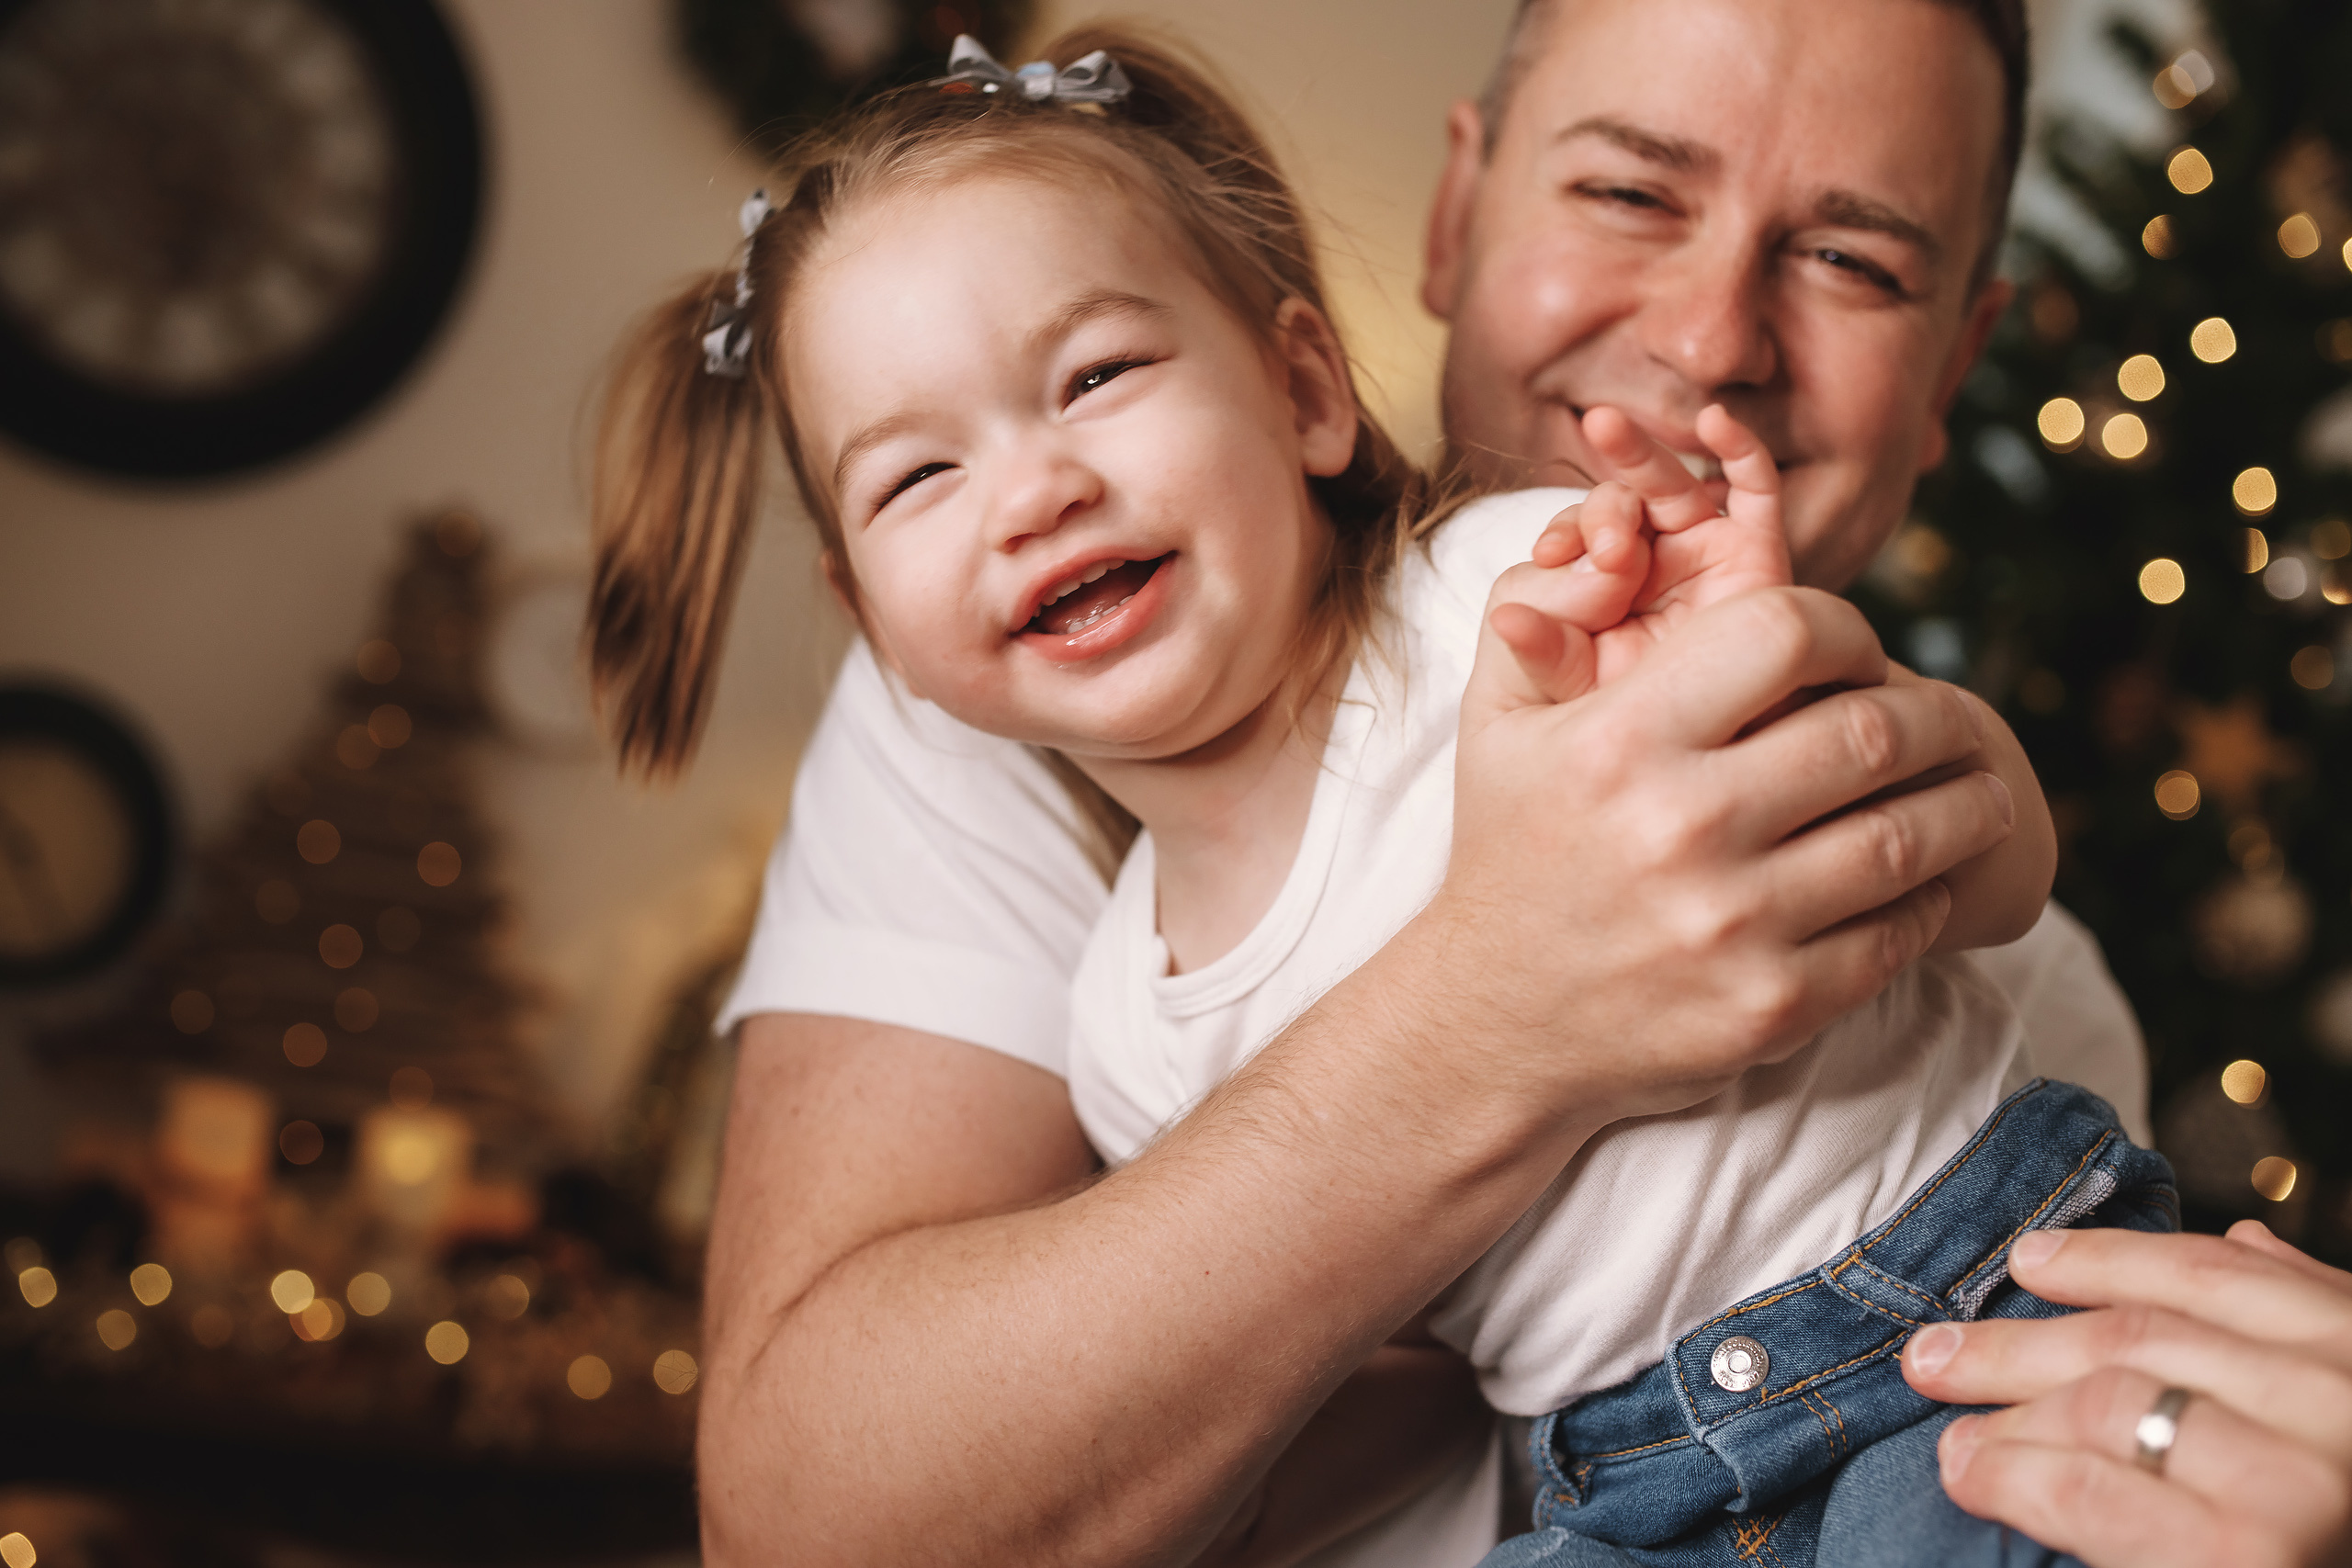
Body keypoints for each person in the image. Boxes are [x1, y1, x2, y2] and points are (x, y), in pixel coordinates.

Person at [589, 3, 2352, 1565]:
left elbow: (1986, 882)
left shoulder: (1531, 602)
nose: (1714, 334)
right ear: (1455, 212)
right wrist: (1510, 1003)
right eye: (1631, 192)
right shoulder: (1036, 820)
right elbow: (851, 1519)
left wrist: (1913, 773)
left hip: (1915, 1334)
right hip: (1640, 1477)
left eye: (1856, 262)